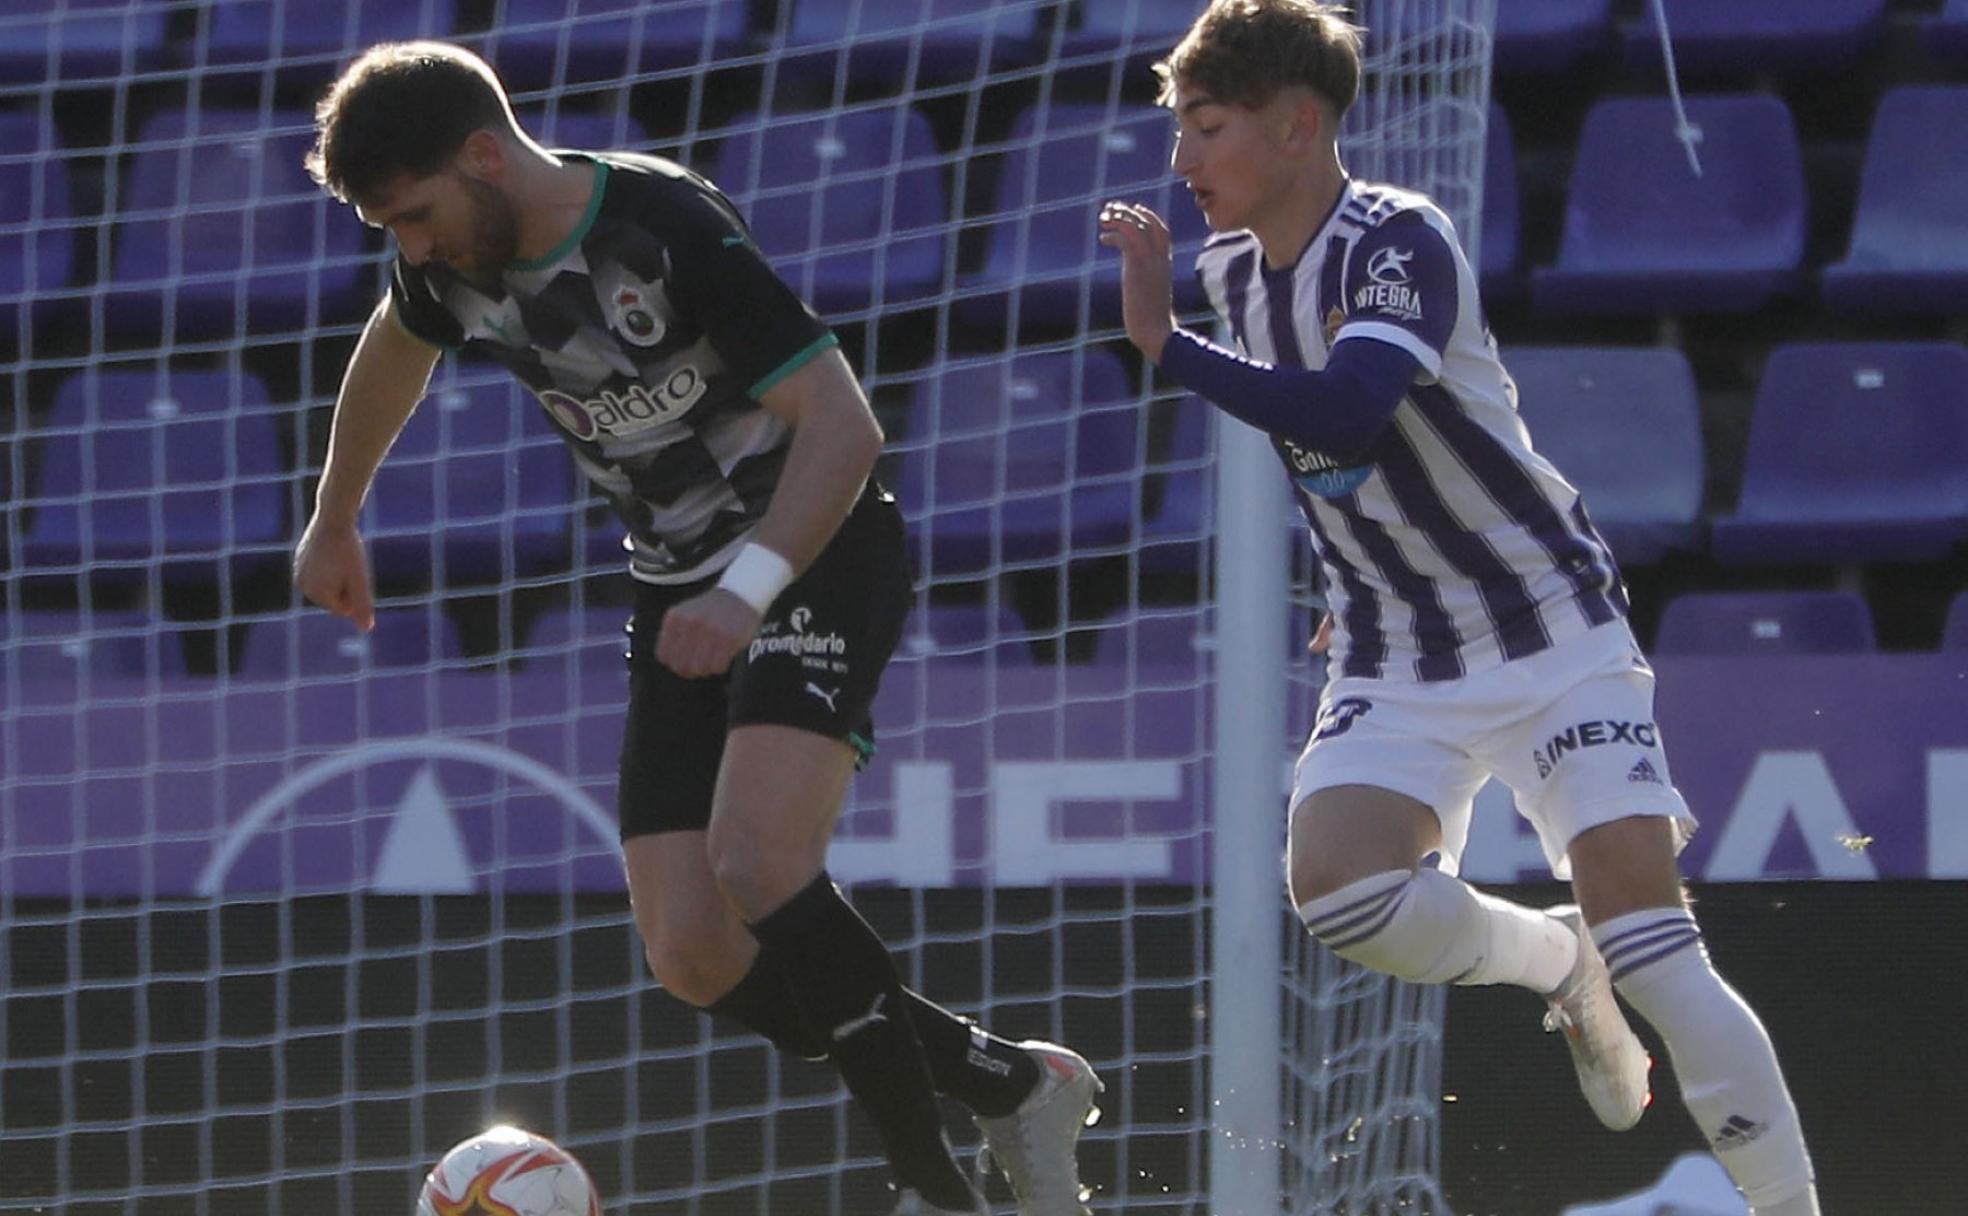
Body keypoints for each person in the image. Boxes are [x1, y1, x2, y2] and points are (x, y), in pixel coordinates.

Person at [295, 41, 1099, 1216]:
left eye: (415, 215)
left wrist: (747, 589)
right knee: (692, 949)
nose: (411, 247)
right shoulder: (450, 262)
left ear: (482, 155)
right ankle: (1008, 1082)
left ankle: (933, 1185)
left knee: (760, 864)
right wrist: (335, 515)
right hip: (678, 582)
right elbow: (395, 349)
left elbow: (843, 424)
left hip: (811, 547)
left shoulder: (661, 226)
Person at [1097, 4, 1819, 1214]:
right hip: (1395, 643)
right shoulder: (1230, 271)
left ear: (1297, 125)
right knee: (1339, 894)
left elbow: (1342, 413)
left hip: (1546, 622)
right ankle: (1553, 961)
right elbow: (1334, 469)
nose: (1183, 164)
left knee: (1660, 951)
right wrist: (1355, 572)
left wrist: (1162, 343)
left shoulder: (1396, 238)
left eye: (1206, 128)